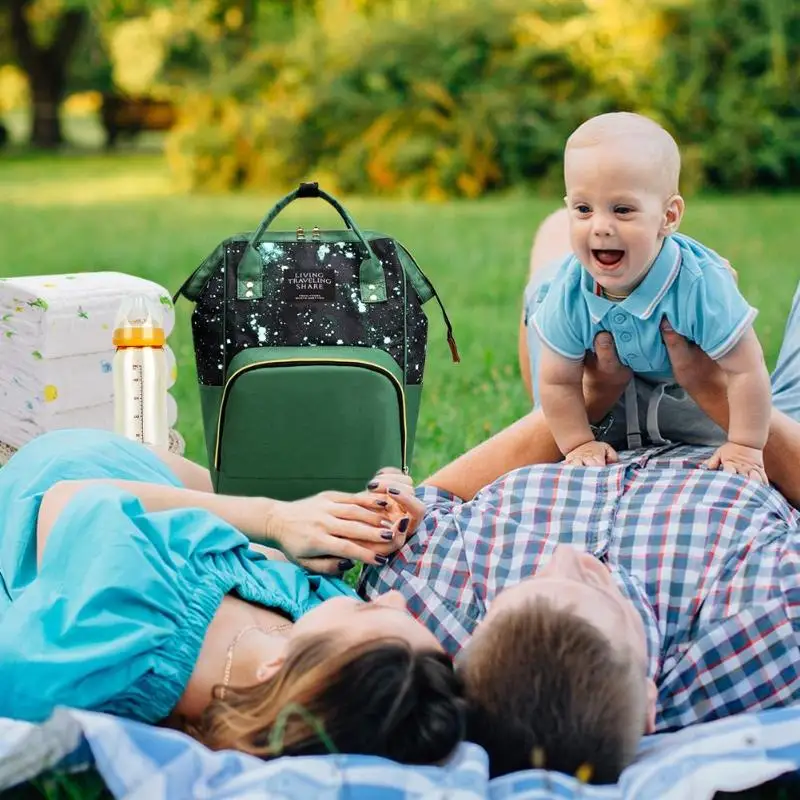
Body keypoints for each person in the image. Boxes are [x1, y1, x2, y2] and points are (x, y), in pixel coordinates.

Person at [361, 209, 800, 784]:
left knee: (559, 236)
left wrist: (588, 399)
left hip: (580, 424)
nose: (569, 558)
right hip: (761, 436)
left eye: (536, 578)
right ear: (647, 702)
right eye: (598, 585)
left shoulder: (453, 613)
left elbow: (423, 496)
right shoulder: (756, 622)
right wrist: (716, 392)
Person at [0, 429, 465, 765]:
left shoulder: (126, 639)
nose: (398, 601)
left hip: (49, 482)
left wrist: (273, 519)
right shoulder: (308, 623)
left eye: (373, 614)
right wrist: (380, 499)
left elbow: (68, 502)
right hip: (156, 473)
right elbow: (250, 549)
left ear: (282, 669)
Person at [531, 113, 771, 482]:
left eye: (622, 210)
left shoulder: (699, 284)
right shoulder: (570, 289)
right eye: (583, 209)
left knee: (708, 425)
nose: (600, 226)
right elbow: (557, 381)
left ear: (668, 216)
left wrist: (745, 444)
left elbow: (745, 369)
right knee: (543, 318)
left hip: (687, 392)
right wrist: (578, 443)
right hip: (608, 395)